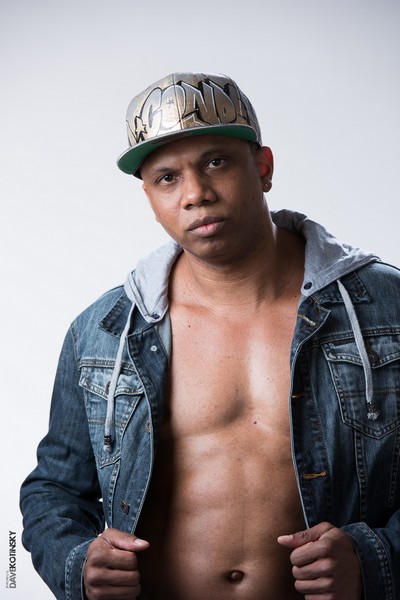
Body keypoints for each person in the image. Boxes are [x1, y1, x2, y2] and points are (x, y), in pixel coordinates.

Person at [20, 72, 400, 600]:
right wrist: (76, 562)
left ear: (263, 168)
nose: (196, 194)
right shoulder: (103, 331)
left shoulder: (385, 307)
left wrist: (376, 560)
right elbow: (54, 488)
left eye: (216, 162)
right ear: (149, 197)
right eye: (167, 178)